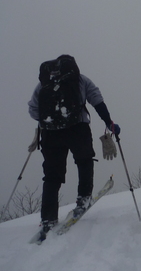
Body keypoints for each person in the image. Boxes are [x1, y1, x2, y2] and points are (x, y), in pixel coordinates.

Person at [28, 54, 120, 233]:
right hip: (78, 129)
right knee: (84, 161)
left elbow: (33, 109)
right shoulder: (80, 80)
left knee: (52, 176)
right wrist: (109, 123)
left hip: (50, 134)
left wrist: (47, 122)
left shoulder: (44, 84)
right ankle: (83, 198)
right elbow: (97, 100)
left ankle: (48, 218)